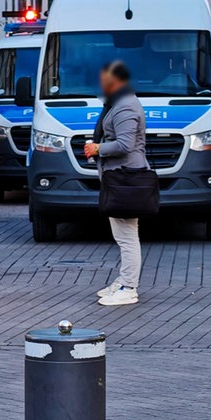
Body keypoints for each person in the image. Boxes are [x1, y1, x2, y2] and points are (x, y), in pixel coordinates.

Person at [84, 61, 147, 307]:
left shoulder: (125, 107)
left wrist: (98, 147)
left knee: (127, 236)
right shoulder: (118, 103)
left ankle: (129, 287)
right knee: (124, 234)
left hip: (126, 177)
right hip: (120, 176)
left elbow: (124, 144)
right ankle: (123, 280)